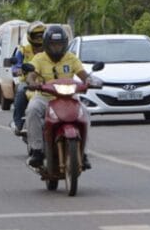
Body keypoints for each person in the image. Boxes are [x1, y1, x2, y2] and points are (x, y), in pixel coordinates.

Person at [23, 25, 97, 169]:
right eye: (53, 44)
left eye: (59, 44)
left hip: (69, 98)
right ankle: (37, 151)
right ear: (46, 45)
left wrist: (90, 81)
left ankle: (84, 154)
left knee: (85, 113)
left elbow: (83, 75)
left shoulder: (71, 58)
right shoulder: (39, 58)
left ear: (65, 44)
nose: (56, 48)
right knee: (32, 109)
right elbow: (31, 75)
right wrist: (31, 82)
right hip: (45, 97)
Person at [10, 21, 46, 135]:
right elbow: (16, 66)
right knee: (21, 91)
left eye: (42, 35)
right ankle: (18, 122)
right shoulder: (23, 50)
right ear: (31, 37)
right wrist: (18, 70)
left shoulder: (51, 50)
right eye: (37, 36)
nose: (39, 38)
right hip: (27, 82)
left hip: (48, 82)